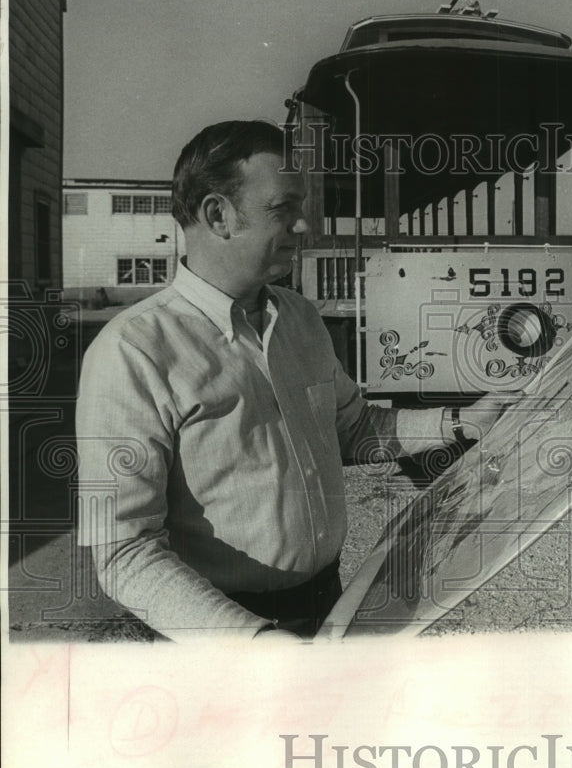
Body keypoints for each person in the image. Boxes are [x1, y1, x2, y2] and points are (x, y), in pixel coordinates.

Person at [76, 120, 507, 642]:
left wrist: (462, 421)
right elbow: (123, 551)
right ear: (218, 215)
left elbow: (354, 428)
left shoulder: (300, 318)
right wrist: (253, 643)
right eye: (284, 209)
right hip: (218, 640)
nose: (304, 227)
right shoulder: (132, 352)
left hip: (329, 605)